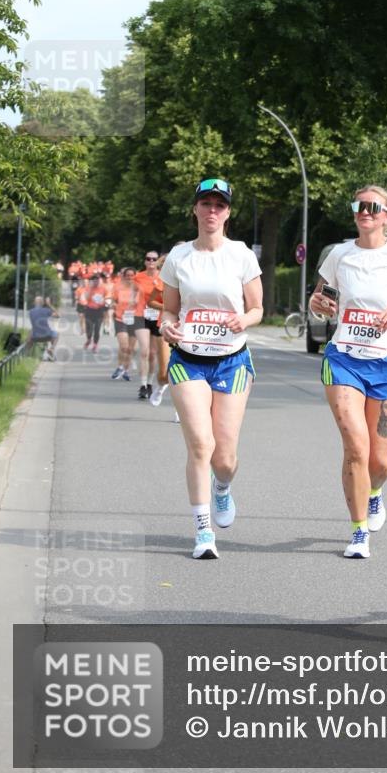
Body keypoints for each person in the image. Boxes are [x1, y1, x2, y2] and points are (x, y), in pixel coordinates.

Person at [309, 184, 387, 559]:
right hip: (344, 358)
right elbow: (319, 300)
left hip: (386, 362)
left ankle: (376, 493)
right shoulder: (339, 255)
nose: (364, 211)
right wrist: (319, 304)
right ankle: (358, 531)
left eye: (372, 207)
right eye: (359, 205)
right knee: (355, 447)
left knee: (379, 461)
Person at [160, 179, 263, 559]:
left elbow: (257, 308)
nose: (212, 211)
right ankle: (203, 532)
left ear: (228, 213)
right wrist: (167, 325)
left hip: (232, 360)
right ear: (195, 210)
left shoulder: (241, 256)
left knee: (224, 457)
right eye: (206, 203)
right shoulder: (178, 256)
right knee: (200, 445)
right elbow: (169, 308)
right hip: (188, 360)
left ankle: (222, 489)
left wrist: (245, 321)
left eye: (220, 205)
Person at [134, 250, 161, 400]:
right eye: (148, 259)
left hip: (157, 317)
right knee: (144, 351)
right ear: (144, 261)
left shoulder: (164, 277)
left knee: (153, 353)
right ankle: (143, 385)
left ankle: (150, 383)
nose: (151, 261)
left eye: (154, 259)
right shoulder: (138, 277)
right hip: (141, 315)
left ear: (157, 261)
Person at [146, 254, 171, 408]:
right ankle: (161, 386)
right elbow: (151, 302)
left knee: (185, 373)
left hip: (188, 329)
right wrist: (168, 308)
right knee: (163, 372)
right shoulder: (164, 280)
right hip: (166, 327)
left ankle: (180, 410)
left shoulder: (197, 280)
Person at [110, 267, 143, 382]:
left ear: (135, 276)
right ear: (123, 276)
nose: (129, 277)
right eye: (127, 275)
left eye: (132, 275)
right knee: (124, 346)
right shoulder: (118, 287)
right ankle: (120, 367)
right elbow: (112, 300)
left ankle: (125, 369)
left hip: (135, 320)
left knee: (130, 348)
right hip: (120, 319)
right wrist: (113, 305)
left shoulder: (139, 288)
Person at [83, 274, 107, 352]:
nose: (96, 282)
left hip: (99, 310)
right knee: (89, 328)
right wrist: (90, 288)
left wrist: (105, 300)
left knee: (97, 328)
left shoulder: (103, 288)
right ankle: (89, 339)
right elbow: (86, 298)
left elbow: (108, 297)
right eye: (94, 281)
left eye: (97, 280)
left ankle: (95, 345)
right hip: (89, 310)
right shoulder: (88, 288)